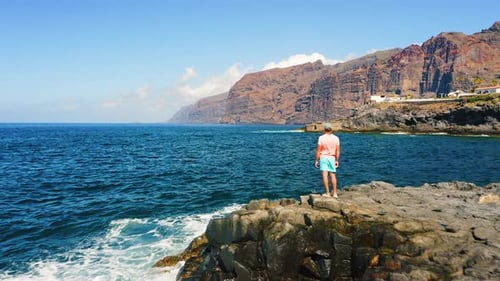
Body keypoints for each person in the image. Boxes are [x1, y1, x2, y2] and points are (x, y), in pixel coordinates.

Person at [314, 122, 341, 198]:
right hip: (332, 158)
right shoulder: (336, 138)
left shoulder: (321, 138)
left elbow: (319, 150)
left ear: (324, 129)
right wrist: (337, 160)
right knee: (333, 175)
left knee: (325, 175)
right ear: (331, 129)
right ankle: (335, 193)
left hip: (323, 158)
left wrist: (316, 160)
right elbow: (338, 151)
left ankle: (328, 193)